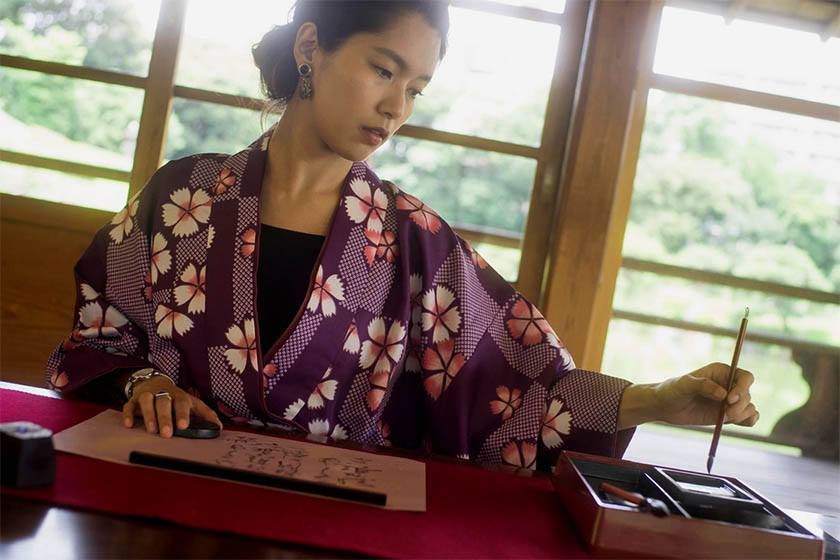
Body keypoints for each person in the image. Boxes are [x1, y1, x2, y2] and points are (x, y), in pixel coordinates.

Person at [45, 0, 758, 471]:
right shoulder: (182, 195)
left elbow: (525, 387)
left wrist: (660, 398)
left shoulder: (418, 241)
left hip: (333, 517)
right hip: (167, 483)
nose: (395, 108)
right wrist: (144, 383)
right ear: (310, 48)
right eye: (383, 69)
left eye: (415, 88)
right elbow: (102, 337)